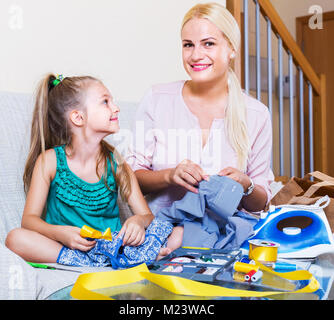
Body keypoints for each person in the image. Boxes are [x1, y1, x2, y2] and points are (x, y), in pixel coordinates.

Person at [126, 3, 275, 245]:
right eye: (188, 45)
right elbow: (131, 179)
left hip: (223, 238)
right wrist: (169, 175)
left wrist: (245, 184)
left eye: (208, 43)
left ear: (231, 49)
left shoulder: (256, 114)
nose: (196, 55)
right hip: (160, 234)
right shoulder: (156, 99)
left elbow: (260, 204)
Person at [5, 73, 175, 263]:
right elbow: (29, 220)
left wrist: (137, 221)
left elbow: (147, 216)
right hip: (65, 247)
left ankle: (115, 258)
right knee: (16, 238)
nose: (116, 108)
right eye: (105, 102)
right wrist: (60, 233)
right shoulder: (50, 161)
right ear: (78, 117)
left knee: (176, 233)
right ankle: (114, 261)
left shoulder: (117, 164)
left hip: (113, 245)